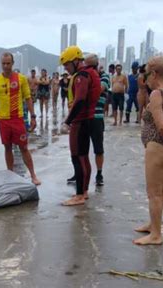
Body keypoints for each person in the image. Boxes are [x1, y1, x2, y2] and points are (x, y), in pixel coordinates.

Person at [0, 52, 41, 185]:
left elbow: (28, 98)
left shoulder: (21, 79)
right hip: (3, 120)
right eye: (3, 63)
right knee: (7, 148)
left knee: (24, 148)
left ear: (12, 63)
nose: (5, 66)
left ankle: (33, 175)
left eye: (8, 63)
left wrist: (33, 116)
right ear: (0, 64)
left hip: (18, 119)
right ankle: (10, 175)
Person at [133, 56, 163, 245]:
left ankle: (156, 234)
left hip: (158, 146)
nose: (145, 79)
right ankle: (153, 224)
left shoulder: (158, 94)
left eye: (146, 74)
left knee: (153, 193)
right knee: (160, 190)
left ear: (155, 73)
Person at [60, 46, 100, 206]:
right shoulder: (89, 73)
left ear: (76, 61)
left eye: (67, 65)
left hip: (81, 121)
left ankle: (79, 195)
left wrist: (67, 121)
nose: (66, 69)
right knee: (83, 157)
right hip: (87, 119)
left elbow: (80, 100)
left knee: (77, 157)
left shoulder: (81, 76)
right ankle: (83, 191)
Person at [85, 55, 109, 186]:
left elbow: (99, 90)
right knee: (81, 149)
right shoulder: (84, 76)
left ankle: (99, 173)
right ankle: (80, 173)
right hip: (85, 117)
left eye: (90, 66)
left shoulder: (104, 76)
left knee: (98, 149)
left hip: (97, 117)